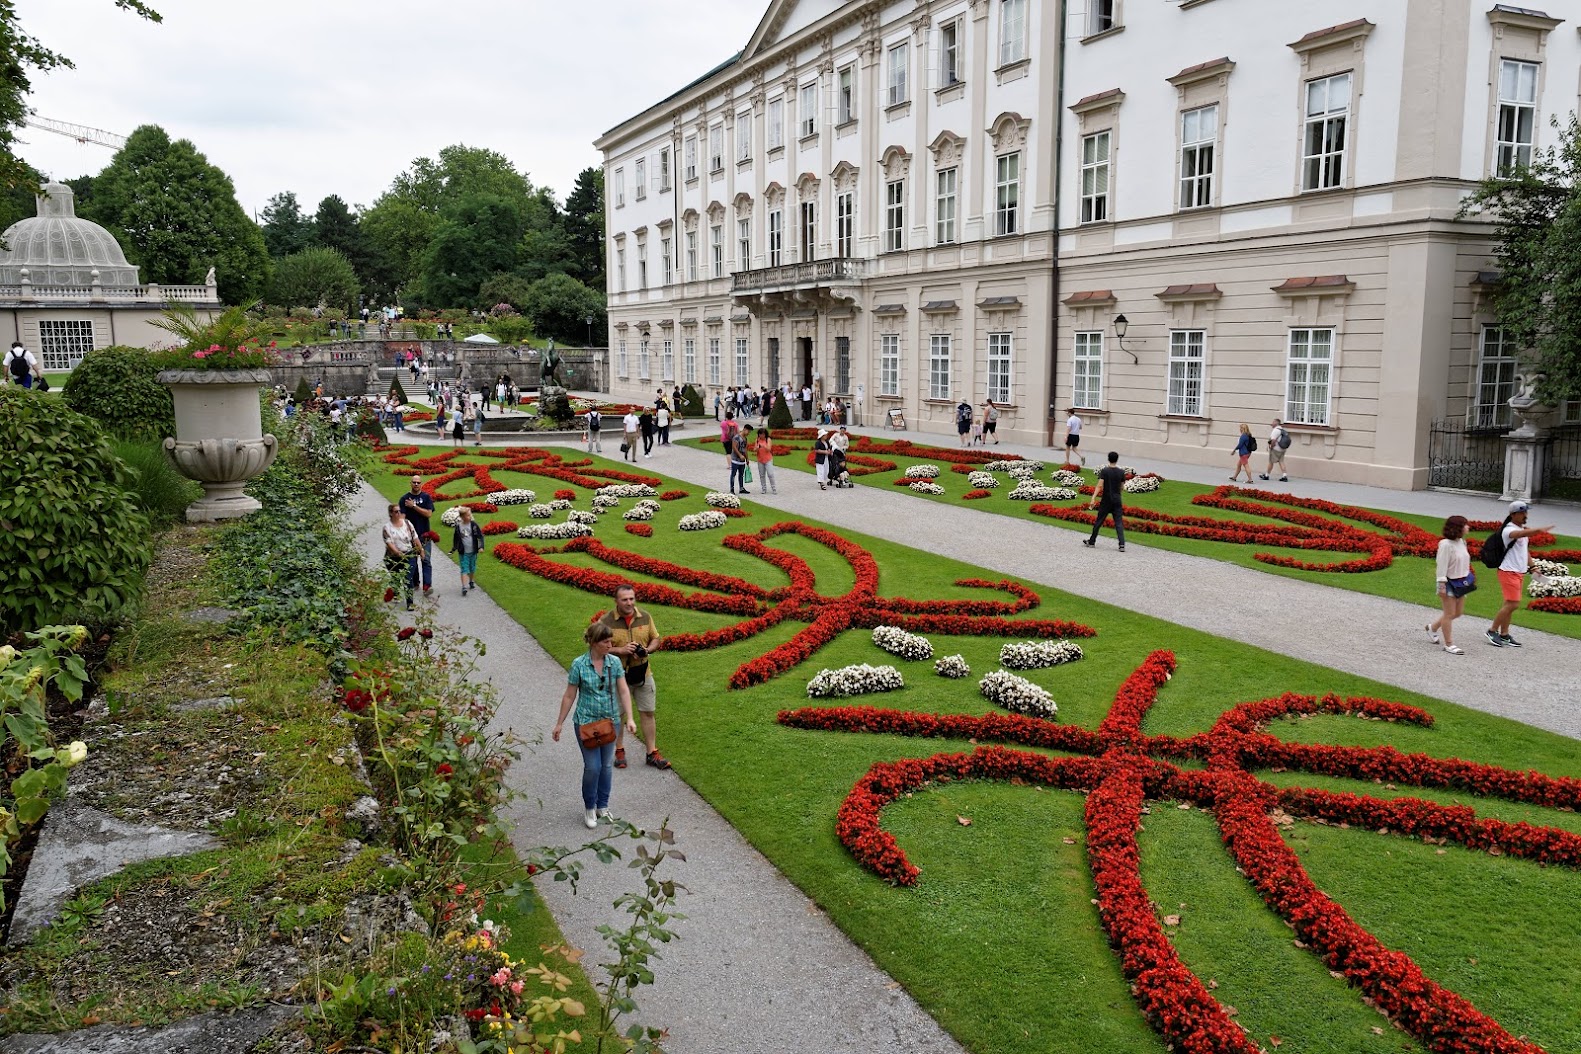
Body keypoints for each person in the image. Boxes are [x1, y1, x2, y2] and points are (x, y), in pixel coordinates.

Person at [552, 622, 639, 828]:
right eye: (606, 641)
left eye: (611, 641)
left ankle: (603, 806)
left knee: (607, 765)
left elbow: (624, 690)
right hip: (586, 723)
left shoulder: (614, 663)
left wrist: (630, 718)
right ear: (593, 642)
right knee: (593, 767)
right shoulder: (579, 665)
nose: (610, 645)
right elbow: (570, 694)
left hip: (610, 722)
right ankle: (590, 807)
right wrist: (559, 724)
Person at [597, 585, 670, 771]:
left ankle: (651, 752)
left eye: (631, 598)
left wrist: (647, 649)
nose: (629, 603)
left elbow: (656, 639)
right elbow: (597, 647)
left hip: (643, 673)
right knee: (618, 715)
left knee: (648, 712)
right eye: (625, 599)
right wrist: (620, 650)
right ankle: (619, 750)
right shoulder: (605, 621)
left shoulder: (644, 617)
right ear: (616, 601)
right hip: (617, 675)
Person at [1486, 500, 1556, 648]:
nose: (1525, 515)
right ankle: (1492, 631)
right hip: (1508, 571)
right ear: (1513, 514)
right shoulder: (1508, 530)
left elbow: (1524, 551)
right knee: (1514, 604)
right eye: (1522, 512)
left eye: (1526, 512)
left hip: (1518, 572)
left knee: (1509, 604)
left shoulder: (1521, 530)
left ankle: (1504, 634)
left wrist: (1533, 567)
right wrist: (1539, 530)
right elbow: (1520, 534)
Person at [1427, 515, 1472, 655]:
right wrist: (1441, 584)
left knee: (1457, 613)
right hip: (1448, 582)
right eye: (1465, 524)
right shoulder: (1446, 544)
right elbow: (1441, 565)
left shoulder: (1462, 542)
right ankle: (1449, 644)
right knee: (1449, 613)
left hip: (1461, 582)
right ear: (1458, 527)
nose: (1468, 527)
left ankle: (1432, 628)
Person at [397, 475, 436, 595]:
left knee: (426, 560)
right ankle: (415, 582)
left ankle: (427, 586)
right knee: (412, 562)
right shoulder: (404, 499)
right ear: (410, 483)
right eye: (414, 482)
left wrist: (414, 506)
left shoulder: (426, 497)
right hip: (410, 537)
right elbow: (402, 519)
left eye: (418, 482)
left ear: (421, 484)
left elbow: (428, 514)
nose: (416, 484)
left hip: (424, 534)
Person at [1082, 451, 1127, 552]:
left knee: (1099, 521)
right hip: (1117, 499)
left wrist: (1093, 497)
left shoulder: (1105, 471)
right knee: (1118, 523)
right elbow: (1122, 487)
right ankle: (1122, 544)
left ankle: (1092, 541)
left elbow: (1099, 485)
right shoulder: (1121, 472)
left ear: (1108, 459)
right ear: (1117, 459)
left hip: (1106, 499)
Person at [382, 503, 423, 611]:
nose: (399, 513)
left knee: (407, 578)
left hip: (409, 554)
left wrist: (421, 550)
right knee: (396, 577)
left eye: (399, 511)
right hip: (393, 557)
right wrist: (398, 553)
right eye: (396, 511)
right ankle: (395, 592)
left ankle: (410, 603)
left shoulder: (407, 523)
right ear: (390, 513)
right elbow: (389, 543)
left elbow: (415, 537)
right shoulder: (387, 528)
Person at [450, 506, 486, 597]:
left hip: (473, 551)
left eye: (470, 515)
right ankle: (464, 586)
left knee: (472, 567)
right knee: (464, 568)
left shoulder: (473, 525)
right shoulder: (459, 527)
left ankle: (471, 581)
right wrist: (454, 549)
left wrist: (481, 546)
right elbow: (456, 539)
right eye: (467, 516)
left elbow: (480, 536)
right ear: (462, 517)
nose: (469, 517)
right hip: (463, 552)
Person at [1259, 418, 1291, 483]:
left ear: (1276, 423)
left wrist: (1271, 447)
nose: (1272, 423)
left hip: (1276, 449)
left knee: (1271, 461)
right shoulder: (1282, 430)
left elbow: (1273, 440)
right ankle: (1284, 476)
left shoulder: (1276, 430)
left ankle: (1266, 475)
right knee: (1281, 461)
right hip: (1282, 449)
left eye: (1273, 422)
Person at [754, 427, 778, 495]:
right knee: (762, 475)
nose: (761, 436)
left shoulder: (768, 439)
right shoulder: (757, 440)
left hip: (768, 459)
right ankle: (764, 488)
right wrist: (757, 448)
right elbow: (754, 449)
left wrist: (763, 446)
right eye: (760, 434)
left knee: (770, 474)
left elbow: (769, 449)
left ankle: (774, 488)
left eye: (763, 434)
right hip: (760, 459)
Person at [728, 423, 751, 494]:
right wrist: (740, 455)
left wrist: (747, 458)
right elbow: (734, 447)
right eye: (748, 431)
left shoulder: (745, 438)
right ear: (744, 429)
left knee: (741, 474)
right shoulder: (736, 437)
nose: (749, 433)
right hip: (735, 460)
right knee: (733, 474)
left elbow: (745, 449)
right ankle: (732, 489)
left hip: (742, 461)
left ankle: (741, 488)